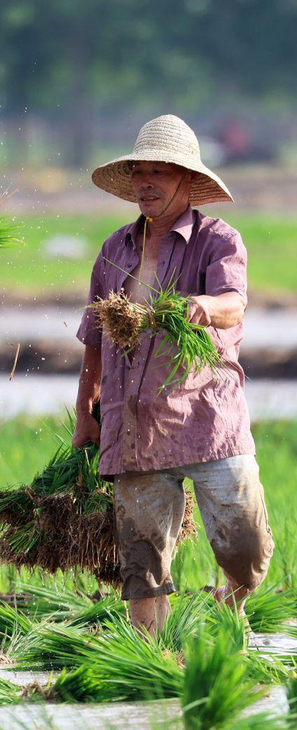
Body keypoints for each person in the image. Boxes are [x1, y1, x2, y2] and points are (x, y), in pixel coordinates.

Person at [72, 114, 274, 637]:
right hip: (135, 425)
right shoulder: (115, 250)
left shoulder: (218, 241)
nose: (146, 183)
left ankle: (228, 604)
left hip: (209, 420)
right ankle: (152, 662)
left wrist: (202, 306)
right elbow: (94, 340)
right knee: (142, 562)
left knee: (247, 547)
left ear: (188, 180)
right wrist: (85, 412)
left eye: (160, 172)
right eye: (140, 172)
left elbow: (235, 303)